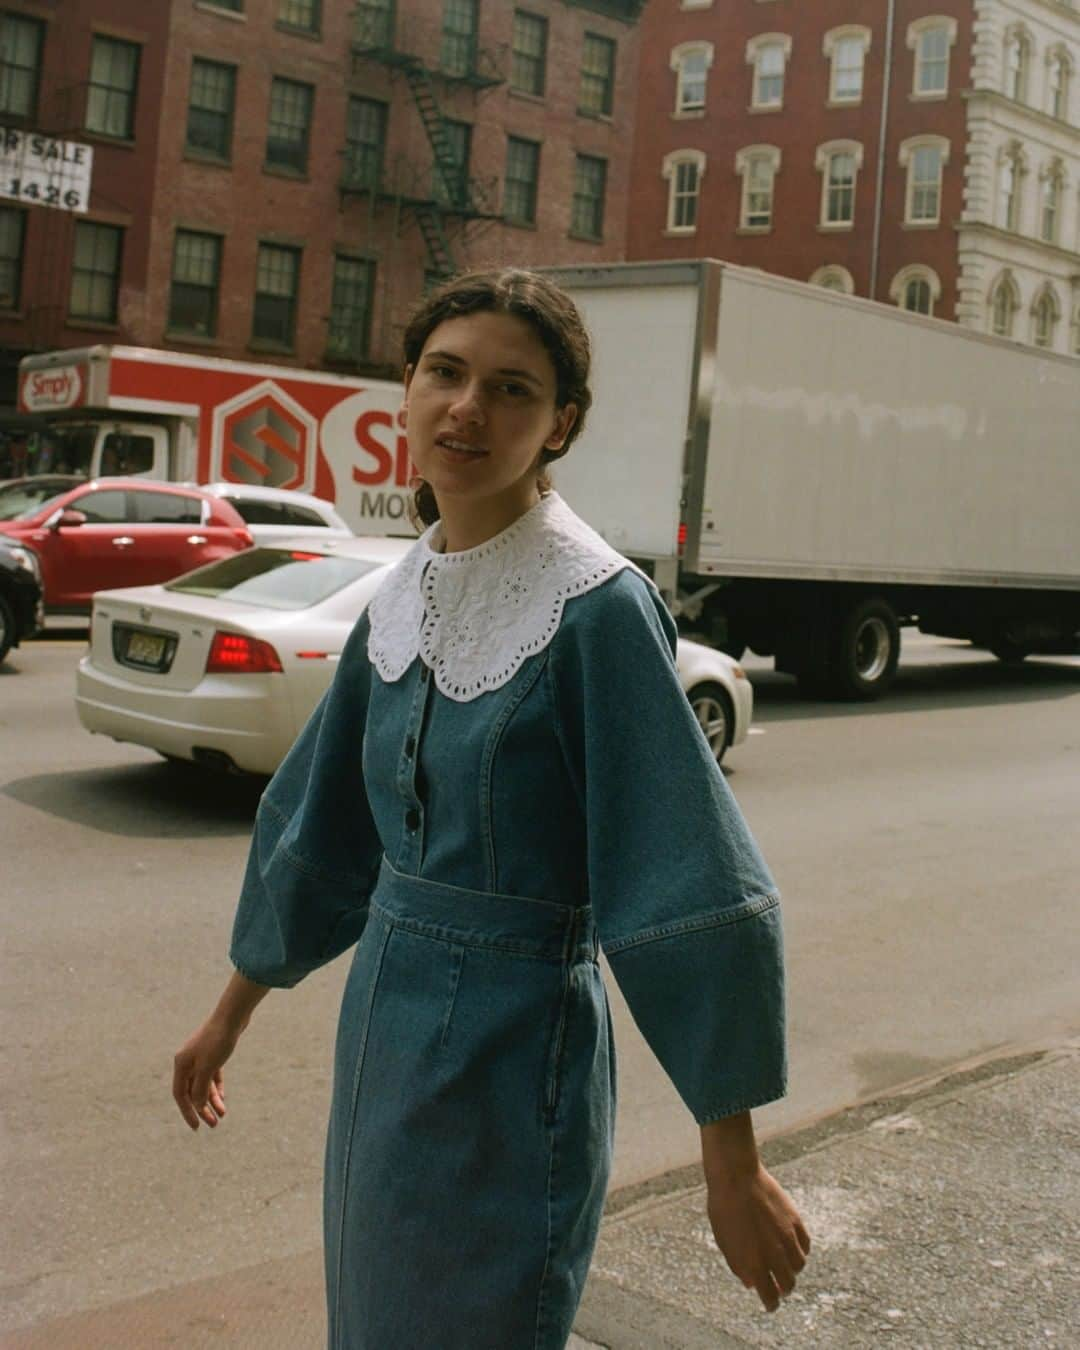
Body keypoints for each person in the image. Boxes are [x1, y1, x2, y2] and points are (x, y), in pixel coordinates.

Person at [173, 268, 810, 1349]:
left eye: (512, 390)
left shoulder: (598, 611)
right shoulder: (401, 594)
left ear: (561, 423)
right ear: (406, 388)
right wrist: (227, 1015)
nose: (469, 408)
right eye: (447, 374)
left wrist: (732, 1159)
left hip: (519, 1054)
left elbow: (687, 878)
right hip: (384, 1033)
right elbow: (319, 829)